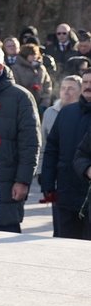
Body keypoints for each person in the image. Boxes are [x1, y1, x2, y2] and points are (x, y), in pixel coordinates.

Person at [0, 44, 39, 233]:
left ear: (0, 67)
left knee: (5, 234)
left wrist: (23, 180)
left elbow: (30, 143)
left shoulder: (21, 97)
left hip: (7, 181)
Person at [54, 76, 91, 239]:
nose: (88, 86)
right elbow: (80, 154)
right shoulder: (67, 112)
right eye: (86, 82)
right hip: (68, 189)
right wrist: (87, 169)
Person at [45, 73, 82, 138]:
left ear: (80, 92)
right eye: (63, 88)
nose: (66, 92)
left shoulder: (85, 113)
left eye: (71, 89)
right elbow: (44, 140)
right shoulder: (49, 112)